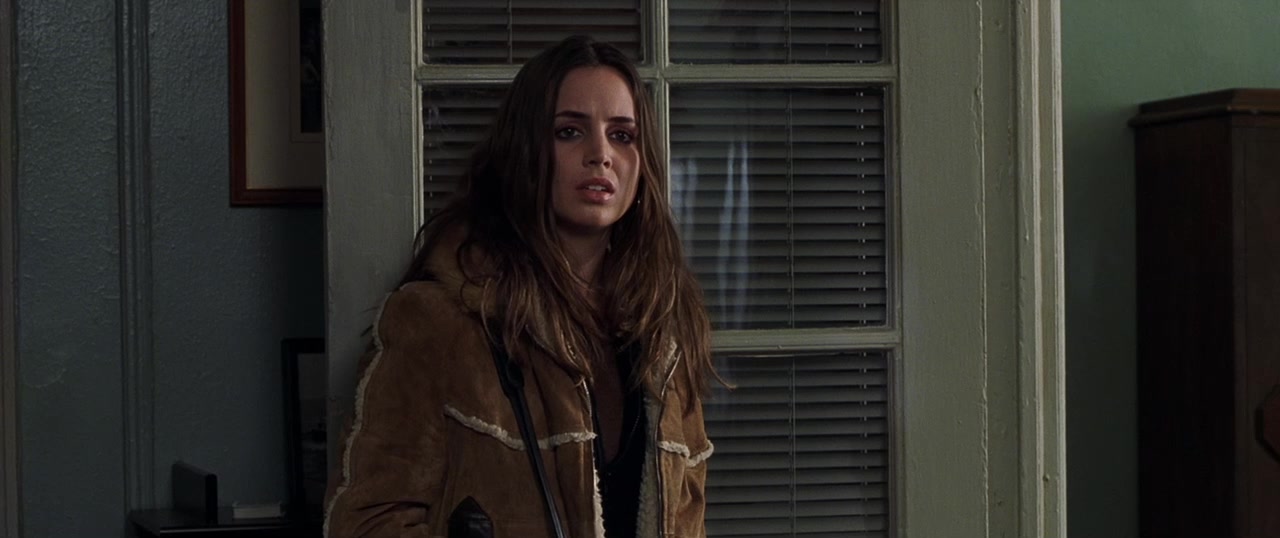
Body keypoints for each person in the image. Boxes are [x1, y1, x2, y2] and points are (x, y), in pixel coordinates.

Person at [323, 36, 716, 538]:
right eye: (569, 131)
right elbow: (366, 521)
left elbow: (688, 518)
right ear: (525, 149)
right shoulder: (439, 321)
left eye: (622, 135)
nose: (601, 155)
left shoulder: (664, 330)